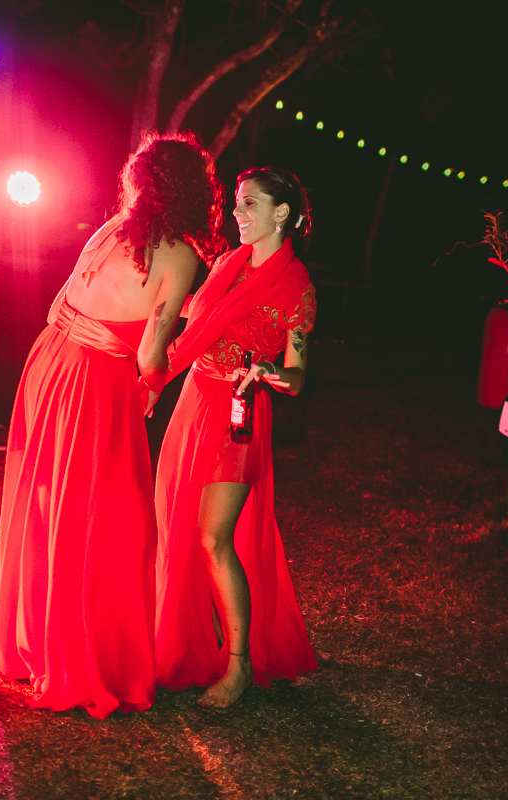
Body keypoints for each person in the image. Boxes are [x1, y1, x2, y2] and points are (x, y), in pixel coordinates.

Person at [0, 132, 225, 719]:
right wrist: (158, 380)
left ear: (140, 184)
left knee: (48, 503)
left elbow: (59, 304)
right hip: (98, 382)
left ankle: (37, 645)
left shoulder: (111, 229)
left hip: (49, 360)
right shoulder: (181, 253)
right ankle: (86, 659)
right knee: (105, 517)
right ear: (195, 191)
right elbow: (151, 355)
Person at [155, 166, 318, 708]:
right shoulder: (229, 264)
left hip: (239, 413)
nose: (237, 214)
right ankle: (178, 643)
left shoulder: (296, 287)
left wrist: (272, 369)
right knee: (175, 527)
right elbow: (196, 318)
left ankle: (239, 664)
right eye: (237, 204)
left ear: (282, 215)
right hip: (195, 401)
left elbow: (298, 377)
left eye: (249, 204)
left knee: (212, 537)